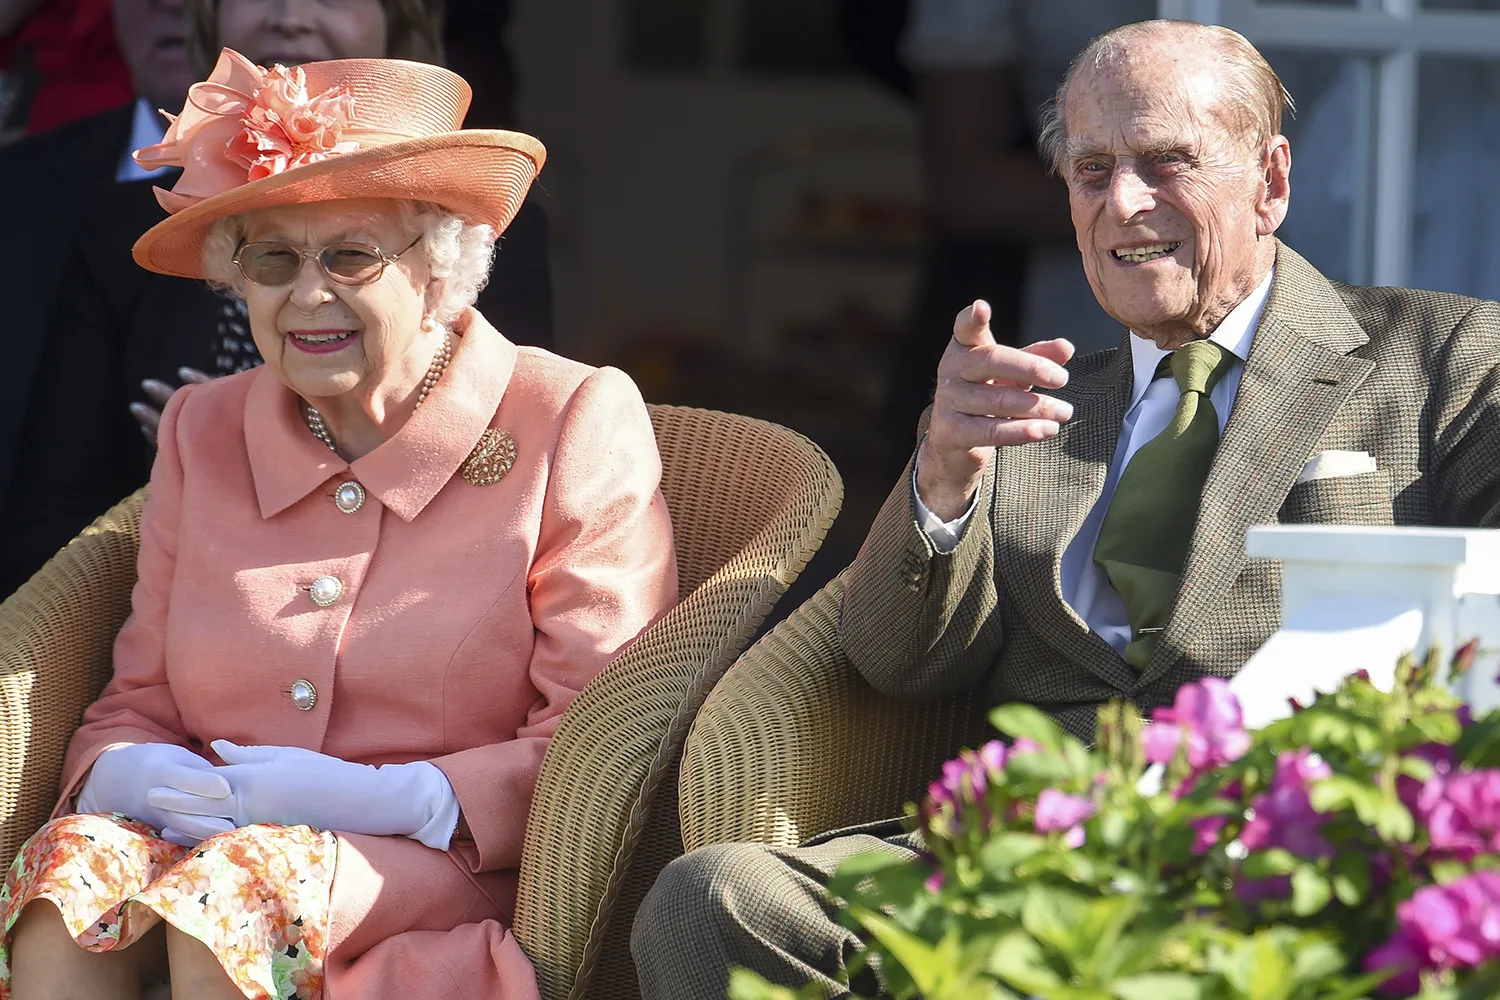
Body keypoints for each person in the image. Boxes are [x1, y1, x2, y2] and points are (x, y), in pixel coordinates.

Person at [630, 19, 1500, 998]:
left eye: (1167, 162)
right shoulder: (1034, 400)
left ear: (1271, 181)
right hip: (1024, 862)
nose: (1124, 203)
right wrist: (943, 473)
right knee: (711, 902)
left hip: (1280, 860)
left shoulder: (1447, 365)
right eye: (1092, 170)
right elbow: (896, 660)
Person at [1, 49, 678, 1000]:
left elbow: (602, 736)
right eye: (272, 258)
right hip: (205, 842)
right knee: (69, 879)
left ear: (441, 266)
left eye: (351, 254)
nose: (306, 295)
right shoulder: (205, 428)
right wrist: (125, 776)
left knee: (233, 898)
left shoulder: (571, 419)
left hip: (441, 868)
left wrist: (391, 798)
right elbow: (137, 697)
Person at [0, 0, 556, 598]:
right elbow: (51, 520)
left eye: (354, 255)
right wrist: (188, 473)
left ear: (401, 20)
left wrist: (259, 449)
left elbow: (519, 449)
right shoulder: (127, 230)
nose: (288, 16)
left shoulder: (469, 221)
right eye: (271, 258)